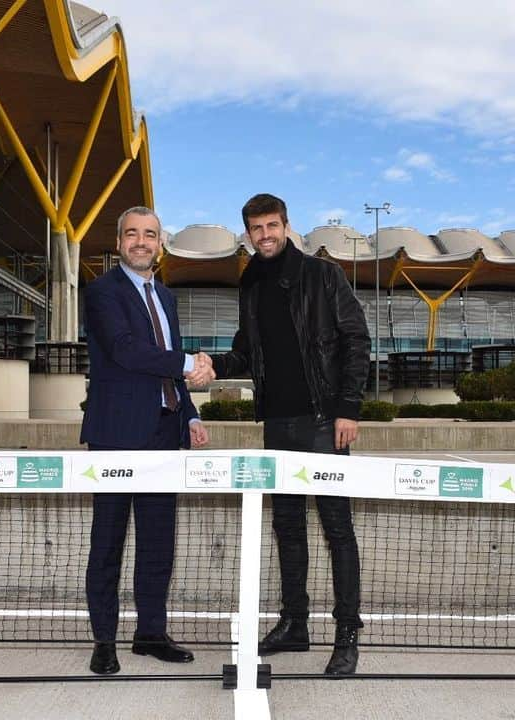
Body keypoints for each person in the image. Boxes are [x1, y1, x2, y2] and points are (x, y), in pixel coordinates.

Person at [210, 193, 371, 675]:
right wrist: (205, 365)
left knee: (337, 528)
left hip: (324, 422)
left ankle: (346, 635)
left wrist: (347, 408)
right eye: (256, 229)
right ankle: (295, 624)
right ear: (247, 234)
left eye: (272, 225)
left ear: (287, 226)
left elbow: (356, 339)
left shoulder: (323, 276)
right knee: (288, 527)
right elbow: (245, 354)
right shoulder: (251, 285)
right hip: (277, 425)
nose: (265, 235)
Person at [80, 206, 214, 675]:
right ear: (119, 242)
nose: (141, 241)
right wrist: (188, 363)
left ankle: (151, 633)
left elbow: (166, 366)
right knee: (109, 541)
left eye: (150, 235)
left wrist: (191, 414)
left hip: (164, 433)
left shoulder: (166, 297)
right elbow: (126, 351)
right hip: (116, 435)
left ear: (160, 244)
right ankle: (104, 641)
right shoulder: (101, 292)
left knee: (158, 541)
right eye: (132, 233)